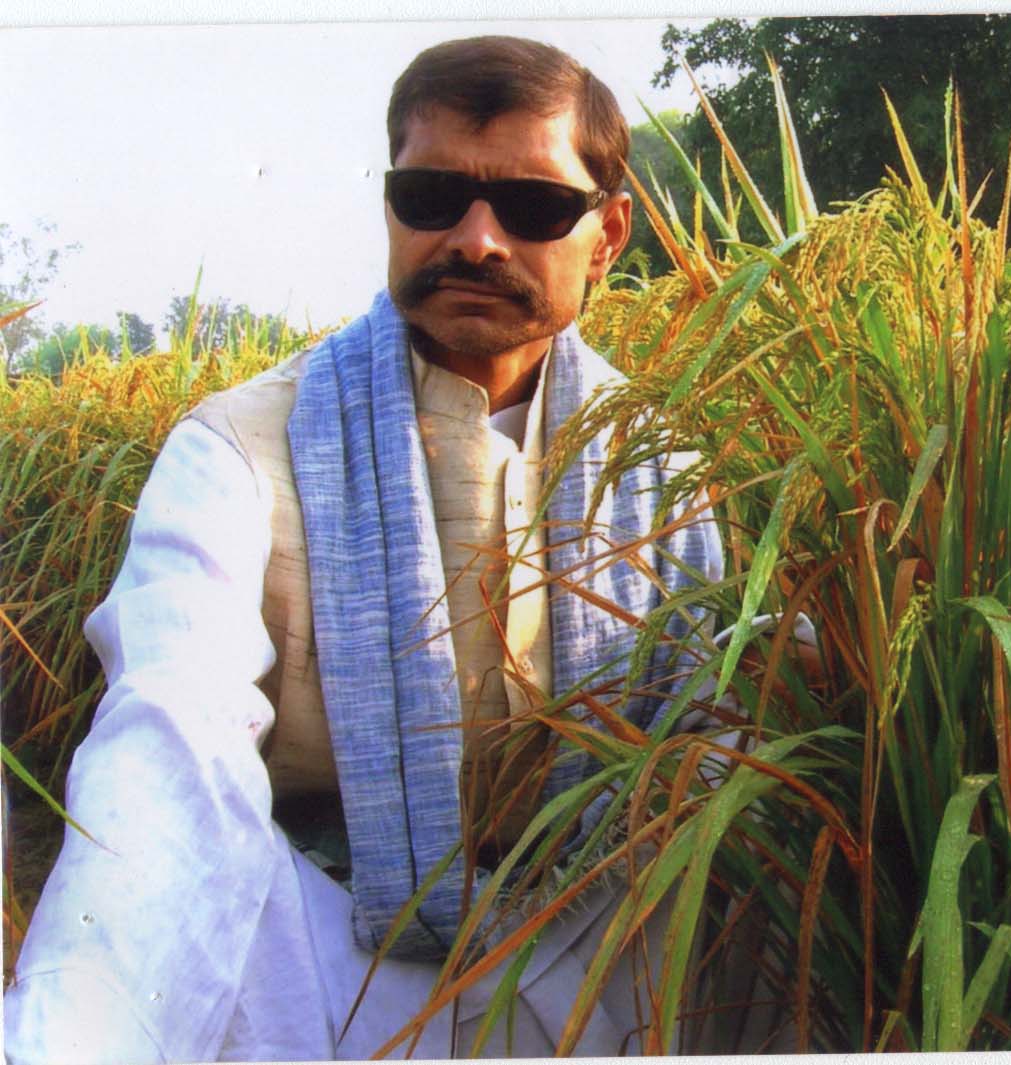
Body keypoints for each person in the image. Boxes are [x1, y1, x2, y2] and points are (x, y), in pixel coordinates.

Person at [4, 36, 729, 1061]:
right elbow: (172, 722)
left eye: (531, 208)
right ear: (390, 206)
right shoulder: (242, 447)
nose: (476, 240)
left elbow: (709, 731)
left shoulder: (664, 466)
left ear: (607, 234)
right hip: (324, 945)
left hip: (604, 932)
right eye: (432, 195)